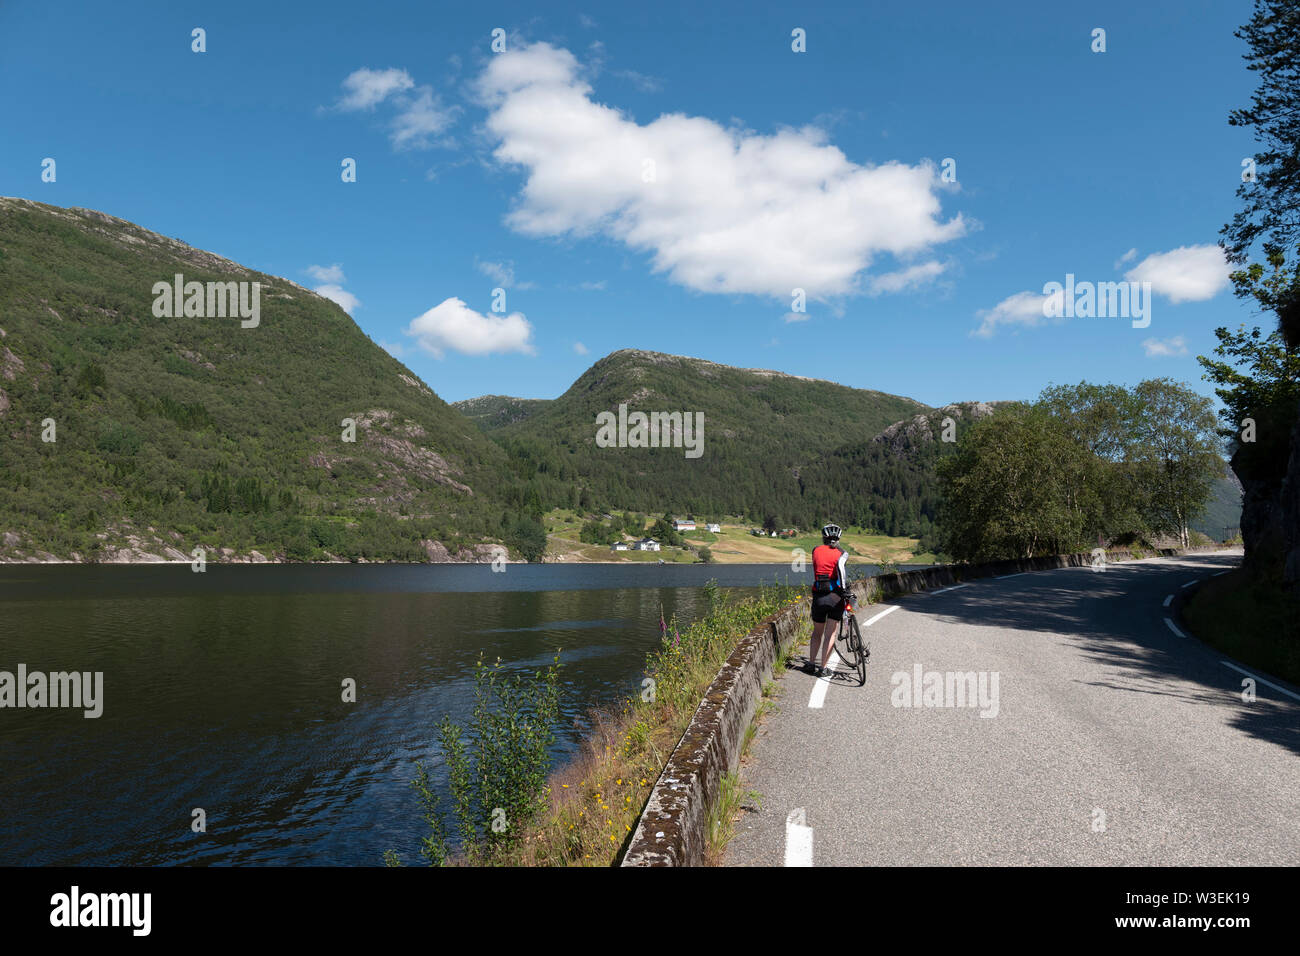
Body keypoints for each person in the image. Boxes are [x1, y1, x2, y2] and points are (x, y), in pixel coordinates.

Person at [807, 523, 850, 676]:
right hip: (835, 596)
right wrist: (844, 592)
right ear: (838, 538)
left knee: (817, 632)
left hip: (818, 595)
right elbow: (841, 573)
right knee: (830, 633)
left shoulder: (815, 550)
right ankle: (823, 668)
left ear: (823, 537)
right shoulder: (842, 553)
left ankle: (811, 664)